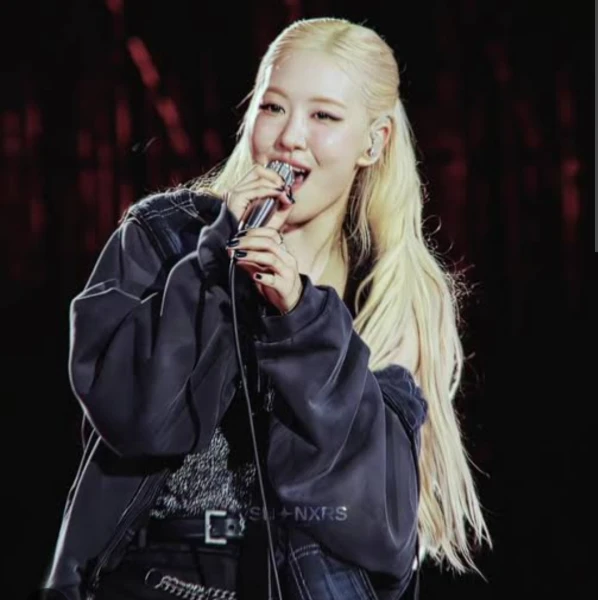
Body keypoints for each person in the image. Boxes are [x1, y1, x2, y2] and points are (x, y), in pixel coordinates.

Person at [41, 16, 491, 600]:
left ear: (373, 142)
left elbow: (374, 526)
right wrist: (215, 266)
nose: (290, 137)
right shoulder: (163, 237)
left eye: (324, 117)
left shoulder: (391, 290)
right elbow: (138, 420)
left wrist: (301, 323)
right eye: (274, 107)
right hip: (146, 575)